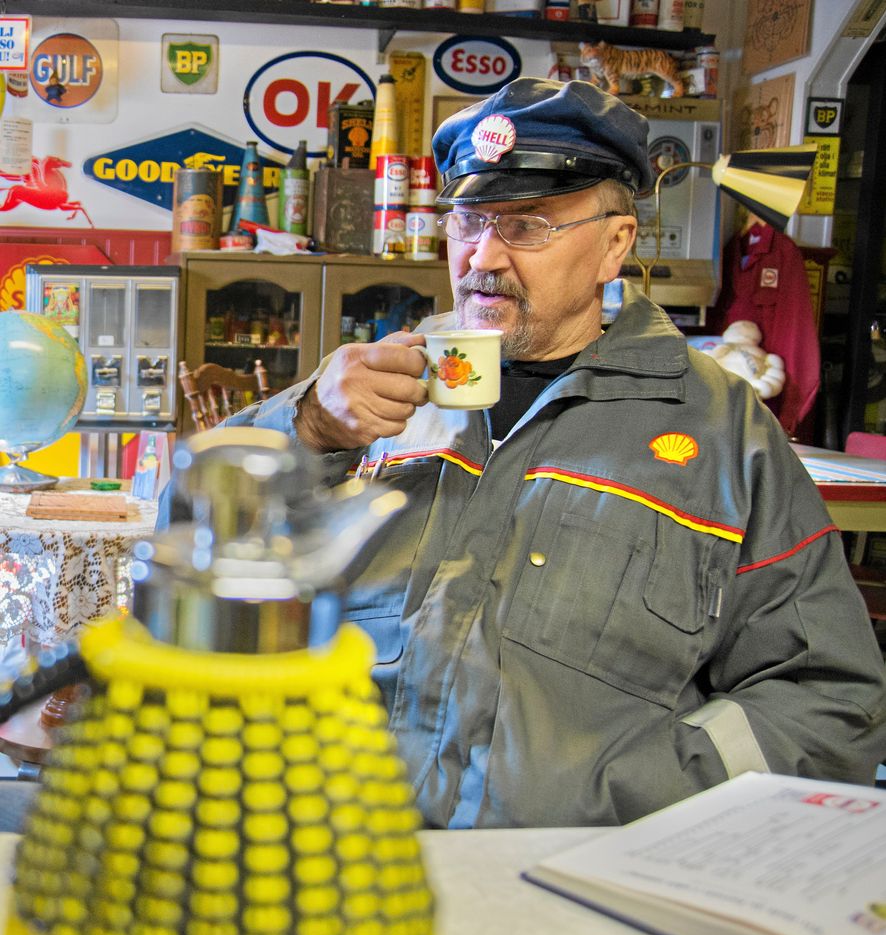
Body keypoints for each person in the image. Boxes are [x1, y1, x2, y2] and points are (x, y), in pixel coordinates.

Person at [162, 78, 886, 828]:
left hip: (567, 888)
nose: (483, 256)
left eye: (529, 225)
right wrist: (306, 425)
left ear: (615, 244)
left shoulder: (721, 432)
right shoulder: (371, 386)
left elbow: (830, 702)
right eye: (469, 220)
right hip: (332, 854)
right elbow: (179, 539)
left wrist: (629, 803)